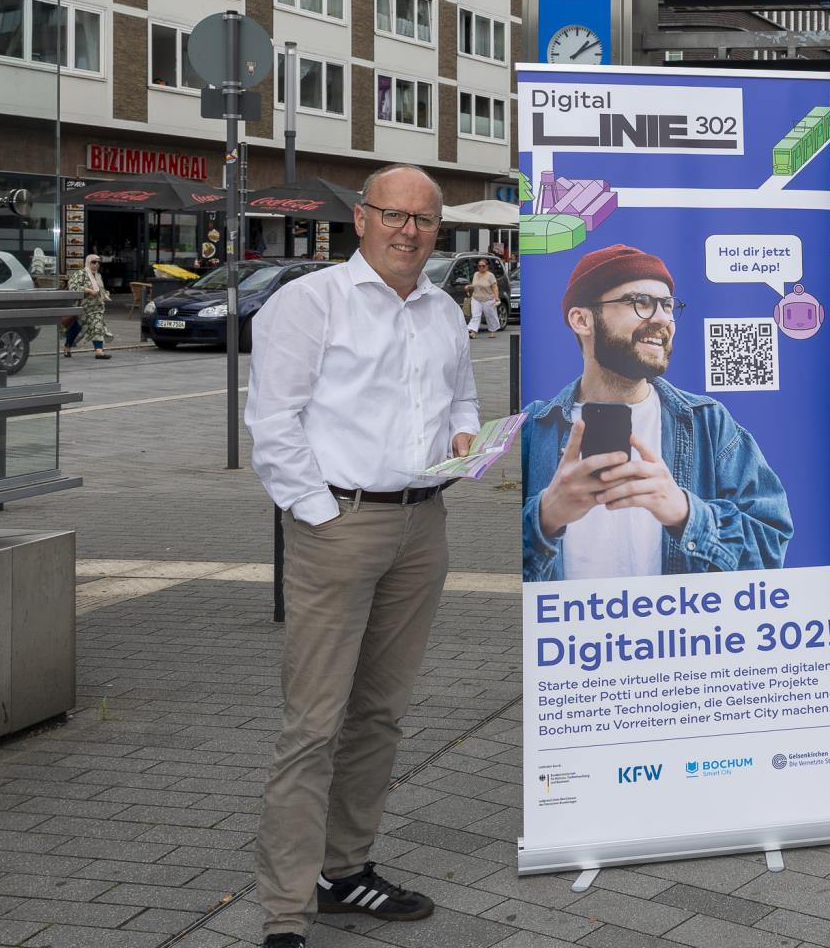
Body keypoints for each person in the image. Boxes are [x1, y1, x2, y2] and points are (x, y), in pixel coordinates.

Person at [244, 164, 477, 948]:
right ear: (362, 217)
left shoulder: (444, 311)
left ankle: (343, 872)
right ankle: (286, 911)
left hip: (422, 525)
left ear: (437, 230)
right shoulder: (311, 302)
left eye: (424, 219)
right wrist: (319, 516)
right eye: (394, 215)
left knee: (380, 714)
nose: (409, 231)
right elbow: (273, 422)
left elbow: (462, 395)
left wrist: (465, 434)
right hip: (339, 526)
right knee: (314, 723)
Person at [523, 244, 791, 582]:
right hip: (572, 620)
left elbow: (771, 547)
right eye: (641, 302)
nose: (663, 319)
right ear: (582, 320)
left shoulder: (708, 423)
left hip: (673, 619)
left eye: (667, 305)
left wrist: (685, 512)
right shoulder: (533, 430)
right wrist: (545, 517)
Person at [65, 254, 113, 359]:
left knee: (97, 326)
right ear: (88, 262)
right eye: (94, 262)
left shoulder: (98, 275)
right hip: (83, 308)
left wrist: (105, 294)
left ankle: (99, 351)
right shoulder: (81, 273)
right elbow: (73, 286)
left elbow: (100, 289)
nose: (97, 264)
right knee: (76, 329)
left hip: (96, 308)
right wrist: (88, 290)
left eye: (98, 262)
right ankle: (67, 347)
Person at [465, 256, 502, 337]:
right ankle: (473, 331)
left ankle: (493, 330)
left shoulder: (490, 275)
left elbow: (495, 287)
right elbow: (475, 285)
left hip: (488, 299)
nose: (481, 267)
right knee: (475, 316)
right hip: (476, 298)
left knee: (490, 316)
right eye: (479, 266)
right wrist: (468, 287)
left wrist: (496, 297)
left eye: (483, 266)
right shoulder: (476, 274)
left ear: (487, 266)